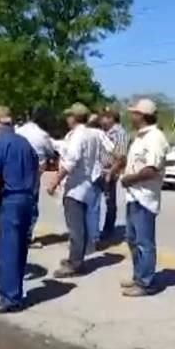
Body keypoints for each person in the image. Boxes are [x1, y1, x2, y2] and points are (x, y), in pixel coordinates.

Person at [0, 106, 39, 314]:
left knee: (7, 251)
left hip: (10, 201)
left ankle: (9, 298)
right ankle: (16, 291)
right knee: (20, 248)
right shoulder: (26, 144)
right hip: (28, 199)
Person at [46, 103, 105, 278]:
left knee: (75, 227)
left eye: (69, 116)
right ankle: (77, 257)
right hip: (87, 184)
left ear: (74, 117)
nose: (67, 119)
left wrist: (55, 181)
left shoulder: (79, 135)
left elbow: (70, 161)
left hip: (76, 187)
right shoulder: (92, 134)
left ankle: (75, 263)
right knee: (81, 225)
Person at [120, 98, 169, 297]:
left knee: (144, 241)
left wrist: (129, 179)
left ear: (142, 115)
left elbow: (152, 169)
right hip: (133, 196)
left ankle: (146, 282)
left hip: (145, 197)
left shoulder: (155, 138)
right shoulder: (140, 137)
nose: (131, 116)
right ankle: (138, 275)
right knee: (132, 239)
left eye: (134, 113)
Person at [16, 106, 56, 247]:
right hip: (34, 172)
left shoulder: (19, 131)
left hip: (15, 171)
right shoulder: (42, 135)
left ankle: (17, 234)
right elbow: (51, 152)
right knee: (31, 204)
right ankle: (27, 237)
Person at [99, 108, 129, 244]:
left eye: (104, 117)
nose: (102, 120)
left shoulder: (119, 133)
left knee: (109, 202)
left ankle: (108, 229)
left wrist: (111, 172)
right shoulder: (105, 132)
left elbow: (121, 157)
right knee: (99, 202)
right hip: (100, 170)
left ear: (112, 118)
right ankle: (101, 228)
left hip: (109, 172)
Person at [84, 113, 112, 254]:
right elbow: (112, 150)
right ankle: (93, 240)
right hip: (96, 174)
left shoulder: (82, 133)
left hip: (83, 175)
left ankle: (85, 241)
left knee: (84, 209)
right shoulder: (101, 134)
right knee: (94, 208)